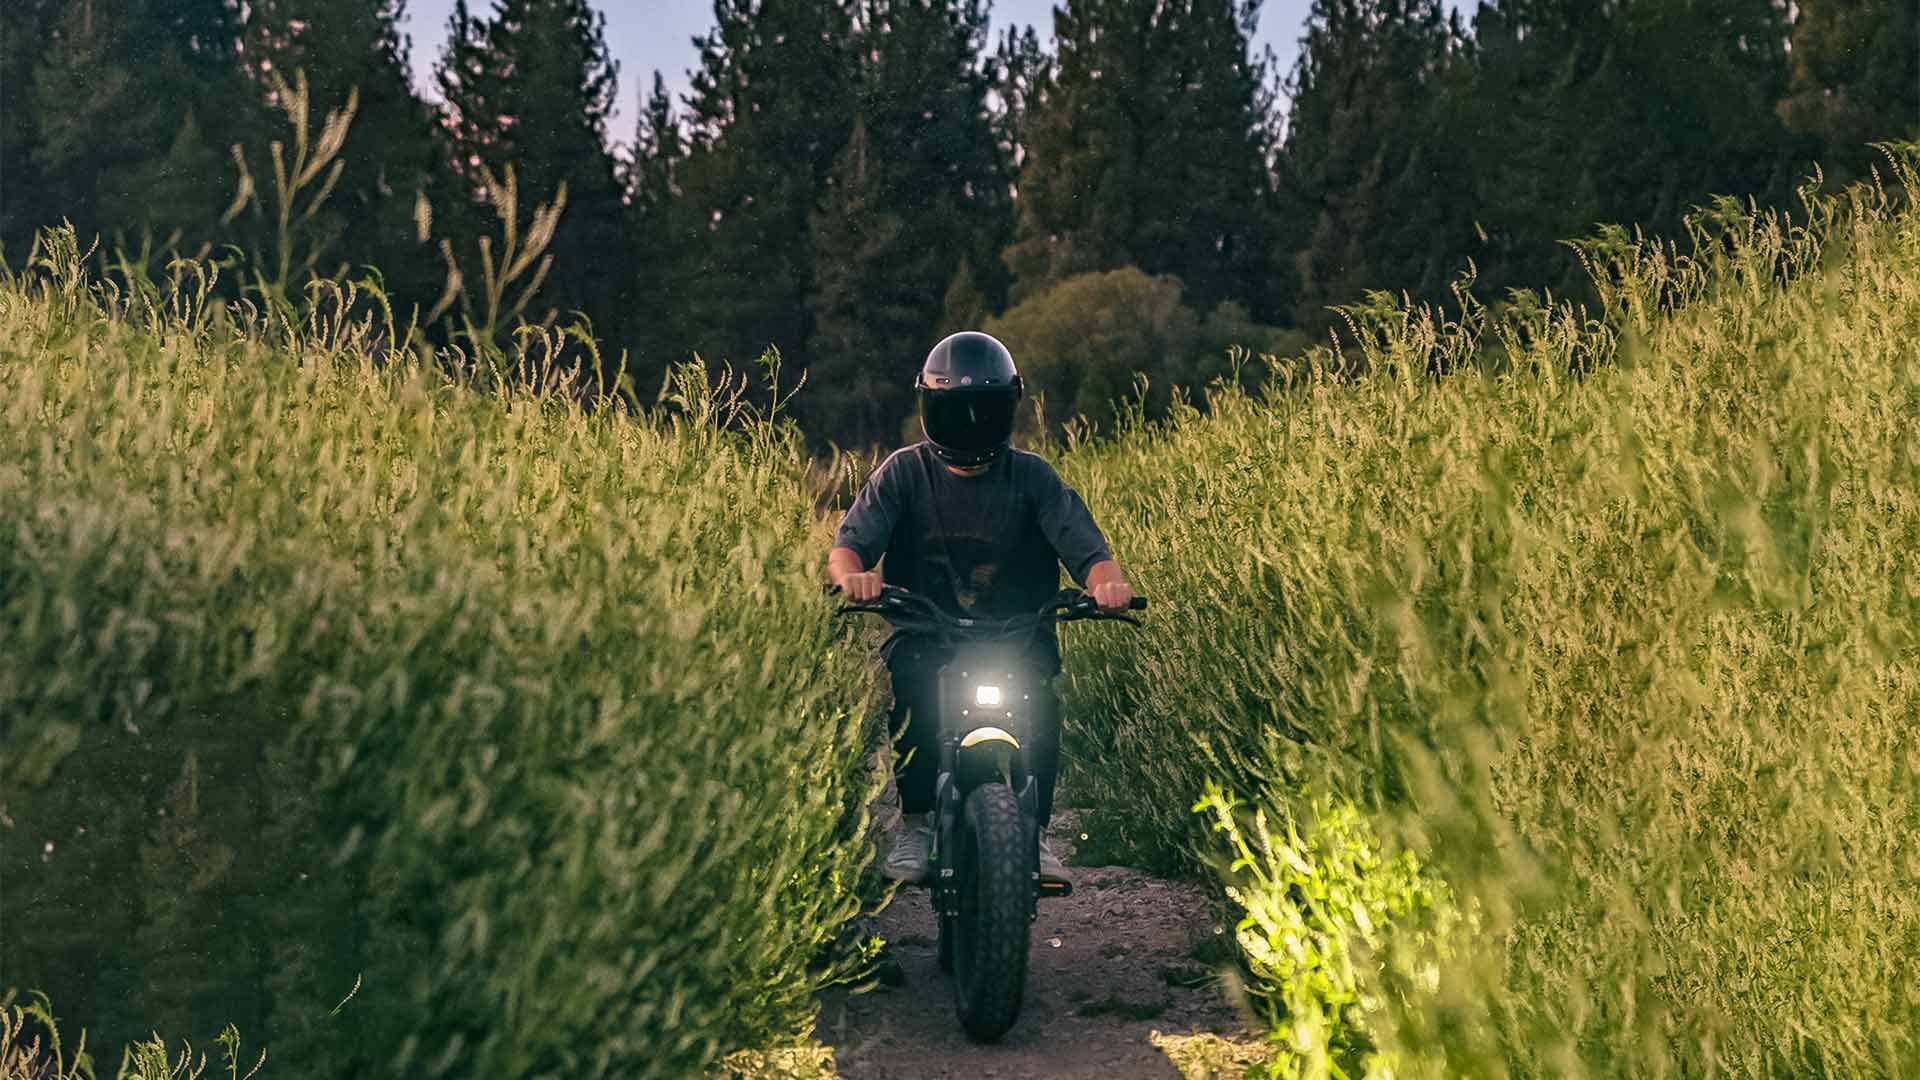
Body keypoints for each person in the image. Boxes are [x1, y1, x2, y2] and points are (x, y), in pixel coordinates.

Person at [826, 331, 1135, 887]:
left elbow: (1090, 553)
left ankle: (1035, 832)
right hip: (926, 631)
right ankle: (917, 823)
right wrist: (853, 578)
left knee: (1040, 706)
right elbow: (849, 548)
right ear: (928, 407)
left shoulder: (1034, 478)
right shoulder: (901, 473)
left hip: (1018, 634)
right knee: (914, 693)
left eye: (984, 410)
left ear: (1007, 410)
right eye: (953, 410)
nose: (969, 424)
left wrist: (1108, 586)